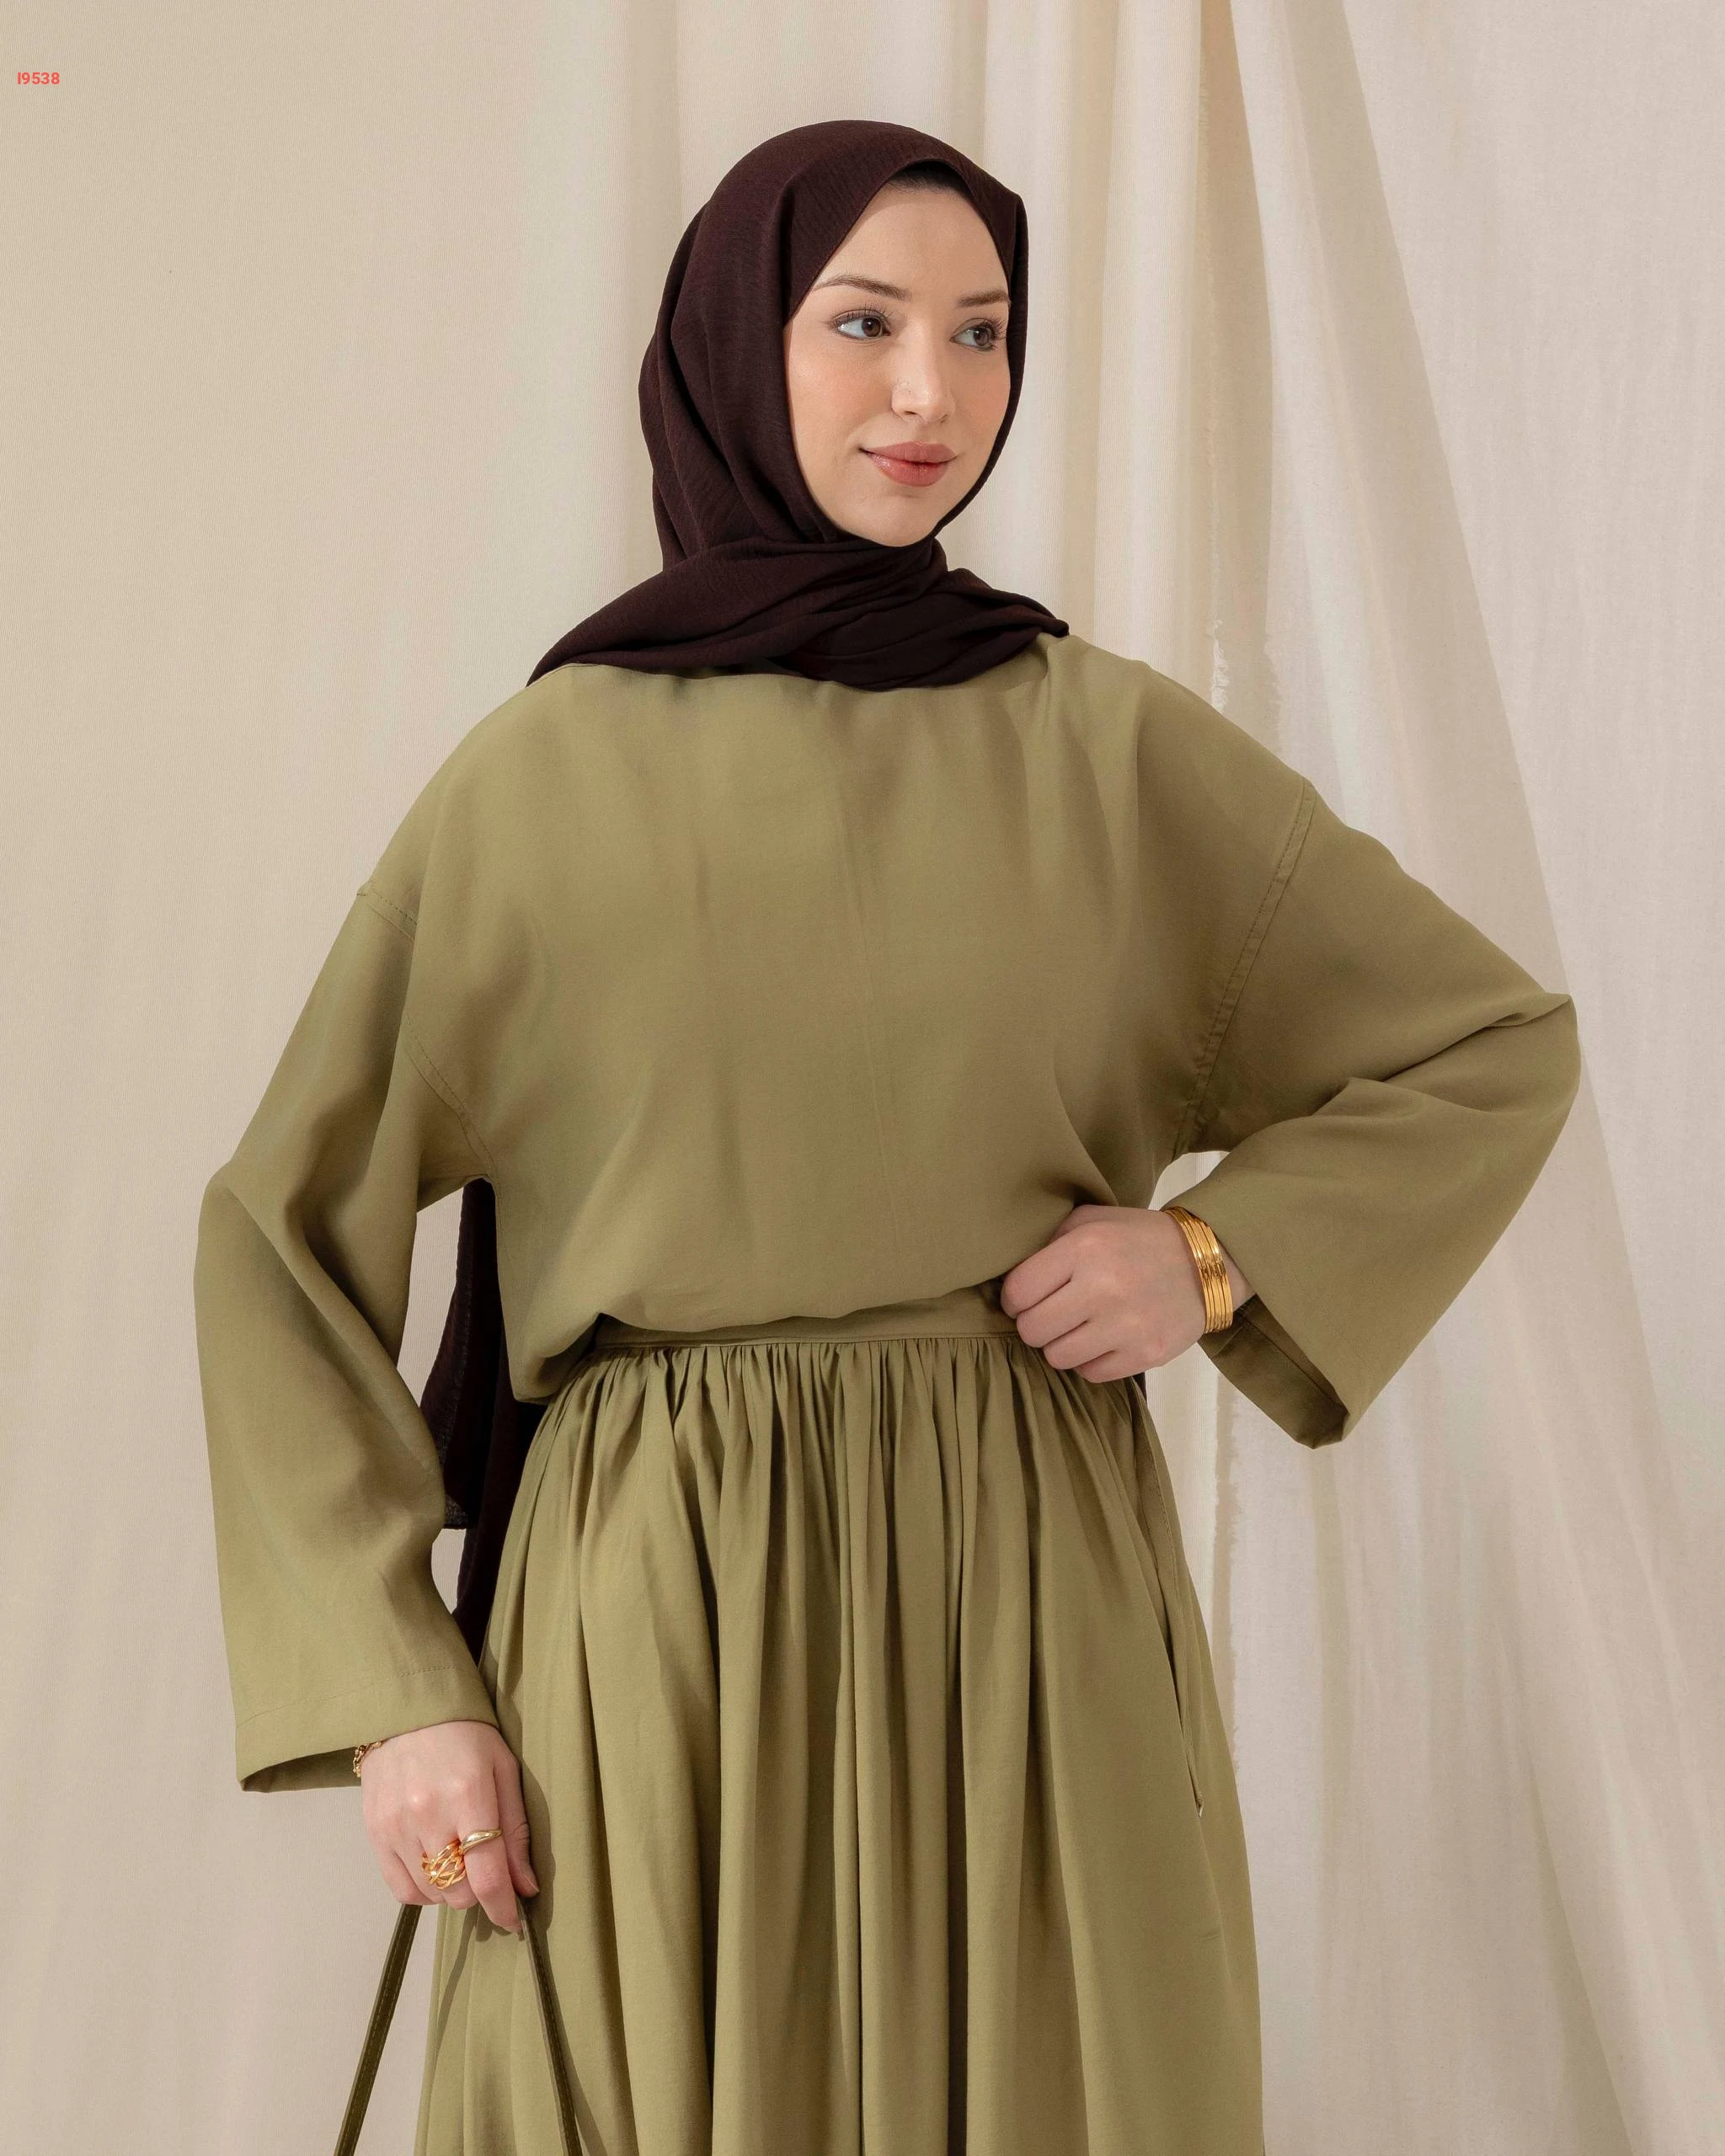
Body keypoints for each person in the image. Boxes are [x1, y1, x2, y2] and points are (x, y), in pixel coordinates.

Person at [192, 119, 1582, 2155]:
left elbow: (1483, 1043)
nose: (932, 390)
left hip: (1028, 1597)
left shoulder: (1103, 748)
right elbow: (276, 1236)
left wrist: (1211, 1257)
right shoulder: (541, 777)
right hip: (657, 1621)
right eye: (862, 323)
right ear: (735, 346)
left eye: (981, 330)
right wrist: (398, 1679)